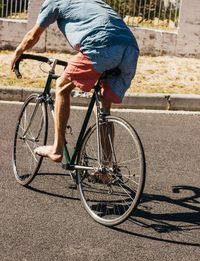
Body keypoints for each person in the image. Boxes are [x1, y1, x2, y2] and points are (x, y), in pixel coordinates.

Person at [11, 0, 139, 163]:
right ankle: (106, 167)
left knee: (62, 86)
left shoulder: (54, 2)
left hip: (100, 44)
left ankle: (57, 149)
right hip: (130, 48)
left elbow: (33, 35)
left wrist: (18, 52)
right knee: (102, 108)